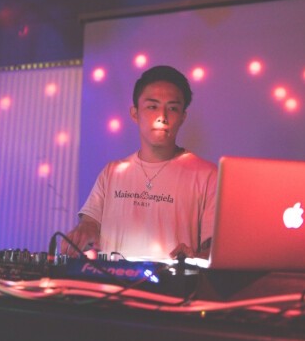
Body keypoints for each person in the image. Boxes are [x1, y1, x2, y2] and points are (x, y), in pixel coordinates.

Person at [61, 65, 217, 260]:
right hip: (111, 278)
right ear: (135, 113)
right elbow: (90, 223)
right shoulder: (113, 172)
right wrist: (85, 230)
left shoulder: (207, 175)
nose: (162, 117)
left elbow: (217, 251)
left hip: (172, 280)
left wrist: (193, 257)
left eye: (173, 108)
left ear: (182, 117)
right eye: (152, 107)